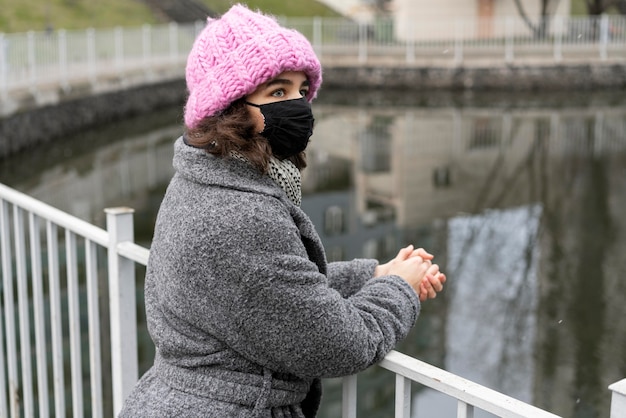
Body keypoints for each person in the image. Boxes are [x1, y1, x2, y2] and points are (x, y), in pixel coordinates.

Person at [119, 4, 446, 417]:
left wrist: (376, 274)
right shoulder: (241, 216)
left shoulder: (201, 180)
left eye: (300, 89)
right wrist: (399, 287)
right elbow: (341, 345)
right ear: (230, 109)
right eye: (277, 92)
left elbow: (274, 287)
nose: (298, 105)